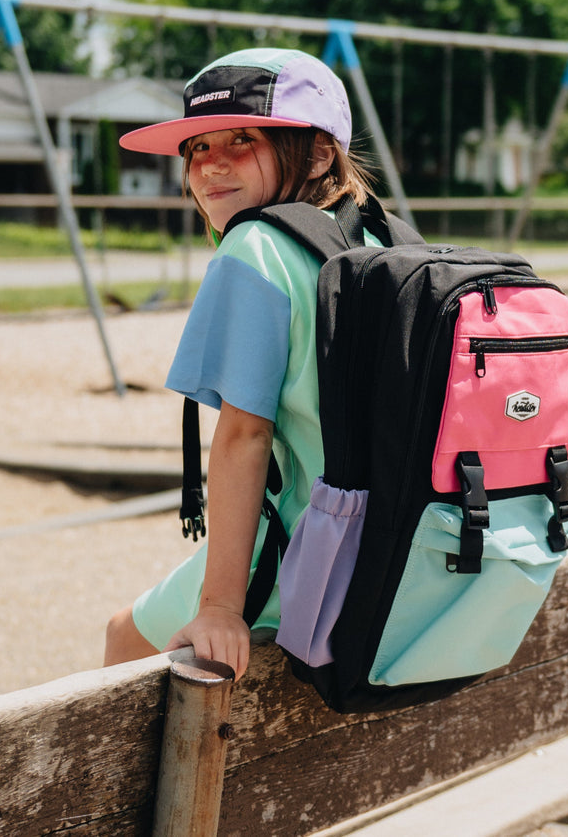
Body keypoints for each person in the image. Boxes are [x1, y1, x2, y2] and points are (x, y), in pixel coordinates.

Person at [103, 47, 379, 680]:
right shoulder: (377, 238)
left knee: (122, 640)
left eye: (243, 139)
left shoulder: (257, 246)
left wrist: (222, 607)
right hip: (383, 544)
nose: (212, 164)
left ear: (316, 152)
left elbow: (244, 434)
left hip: (301, 555)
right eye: (198, 147)